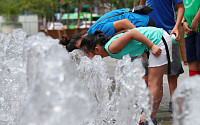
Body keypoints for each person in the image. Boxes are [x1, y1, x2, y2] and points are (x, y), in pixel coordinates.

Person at [80, 27, 173, 125]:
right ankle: (149, 117)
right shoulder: (111, 50)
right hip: (148, 46)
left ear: (97, 49)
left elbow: (132, 33)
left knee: (154, 83)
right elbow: (130, 47)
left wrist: (152, 45)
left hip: (157, 40)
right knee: (153, 82)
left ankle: (147, 119)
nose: (86, 57)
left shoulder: (111, 47)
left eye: (86, 53)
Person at [140, 0, 185, 113]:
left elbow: (181, 7)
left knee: (172, 70)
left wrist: (176, 27)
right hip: (149, 32)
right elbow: (142, 5)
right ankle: (148, 100)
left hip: (169, 31)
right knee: (146, 72)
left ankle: (173, 100)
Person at [60, 8, 156, 52]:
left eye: (84, 52)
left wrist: (144, 40)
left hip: (143, 23)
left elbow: (125, 23)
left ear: (79, 45)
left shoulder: (98, 31)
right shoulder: (92, 32)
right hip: (140, 21)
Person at [182, 1, 200, 76]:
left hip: (198, 25)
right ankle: (194, 87)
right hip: (189, 29)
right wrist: (183, 21)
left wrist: (196, 19)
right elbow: (180, 6)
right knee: (192, 61)